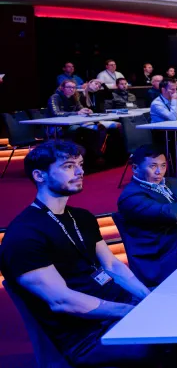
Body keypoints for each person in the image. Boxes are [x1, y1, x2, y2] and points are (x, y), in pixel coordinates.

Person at [0, 141, 160, 366]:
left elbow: (112, 266)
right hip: (86, 336)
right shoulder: (24, 236)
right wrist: (130, 311)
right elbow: (62, 301)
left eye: (80, 164)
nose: (80, 171)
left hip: (116, 307)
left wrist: (147, 299)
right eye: (68, 166)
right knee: (175, 340)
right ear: (39, 175)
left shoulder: (82, 217)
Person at [117, 146, 177, 288]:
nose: (159, 172)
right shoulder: (131, 196)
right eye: (152, 166)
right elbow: (172, 214)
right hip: (176, 246)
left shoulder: (172, 182)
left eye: (163, 166)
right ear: (135, 168)